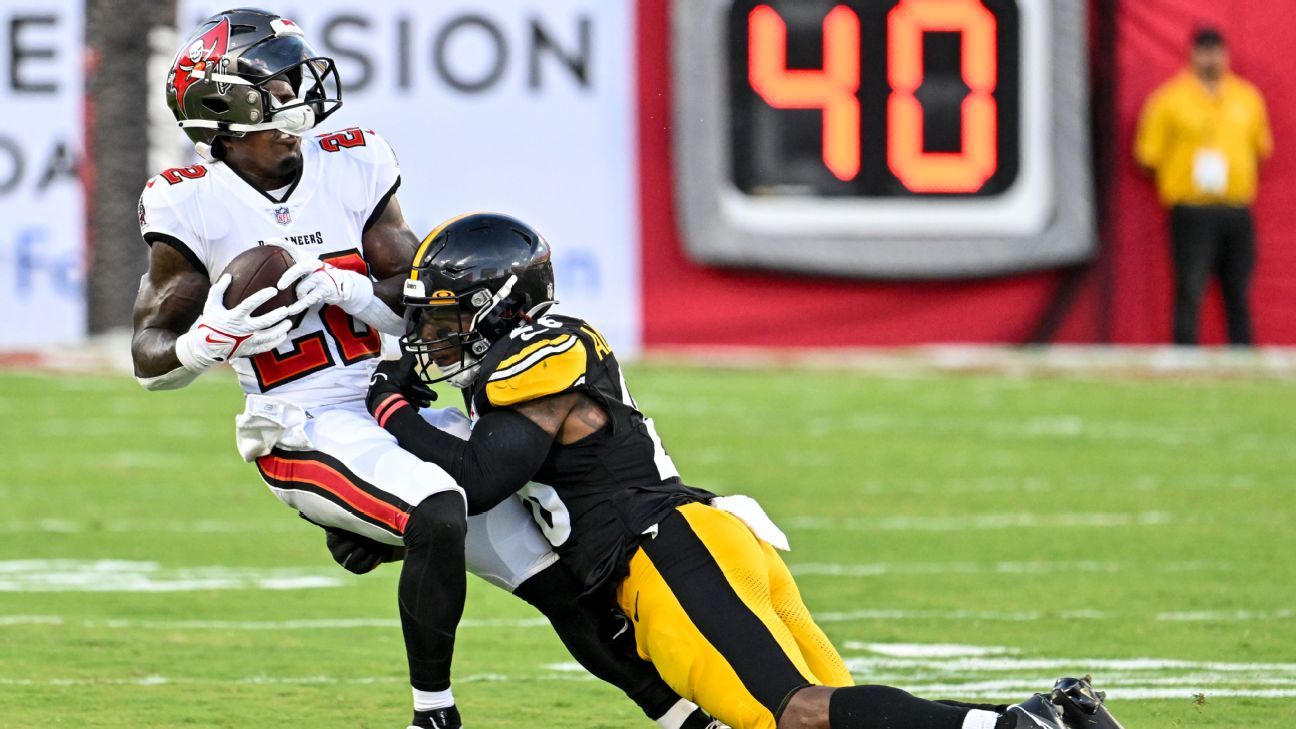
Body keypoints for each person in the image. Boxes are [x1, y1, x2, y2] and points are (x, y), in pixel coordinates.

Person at [130, 9, 718, 729]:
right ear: (225, 106)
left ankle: (686, 718)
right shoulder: (189, 201)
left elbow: (423, 306)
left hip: (386, 400)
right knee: (438, 508)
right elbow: (149, 357)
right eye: (278, 79)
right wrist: (204, 342)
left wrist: (347, 288)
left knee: (557, 575)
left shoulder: (352, 161)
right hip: (298, 422)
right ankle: (432, 714)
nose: (299, 88)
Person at [363, 212, 1129, 729]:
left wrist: (390, 410)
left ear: (502, 306)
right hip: (703, 543)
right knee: (834, 715)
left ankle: (1019, 722)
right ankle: (1044, 716)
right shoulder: (530, 355)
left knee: (798, 710)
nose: (436, 334)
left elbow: (478, 476)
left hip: (667, 548)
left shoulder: (544, 358)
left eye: (449, 318)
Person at [1135, 26, 1272, 346]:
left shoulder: (1247, 98)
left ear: (1226, 54)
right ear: (1192, 54)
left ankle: (1242, 363)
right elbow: (1148, 156)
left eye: (1217, 51)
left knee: (1238, 290)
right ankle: (1186, 361)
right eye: (1205, 51)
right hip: (1192, 209)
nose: (1211, 58)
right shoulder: (1170, 99)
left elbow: (1260, 150)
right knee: (1190, 288)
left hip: (1236, 207)